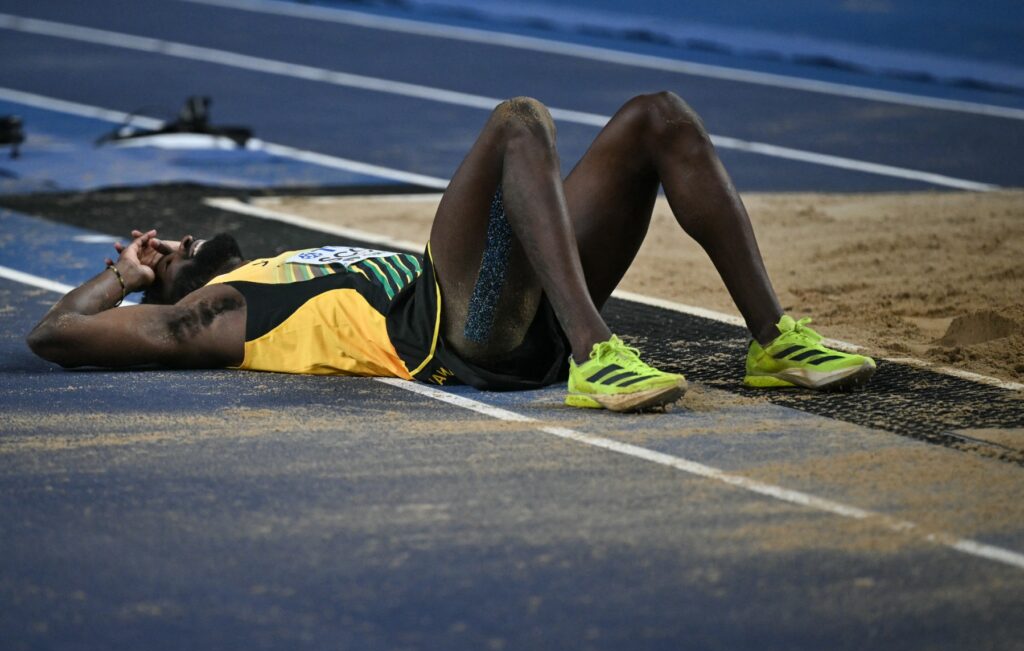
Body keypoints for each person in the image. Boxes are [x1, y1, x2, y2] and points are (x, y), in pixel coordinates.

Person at [27, 92, 875, 412]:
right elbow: (53, 336)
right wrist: (125, 275)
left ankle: (774, 342)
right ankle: (597, 356)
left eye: (165, 241)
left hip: (512, 305)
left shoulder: (278, 267)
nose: (172, 241)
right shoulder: (214, 311)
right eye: (166, 252)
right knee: (517, 123)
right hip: (456, 330)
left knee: (657, 117)